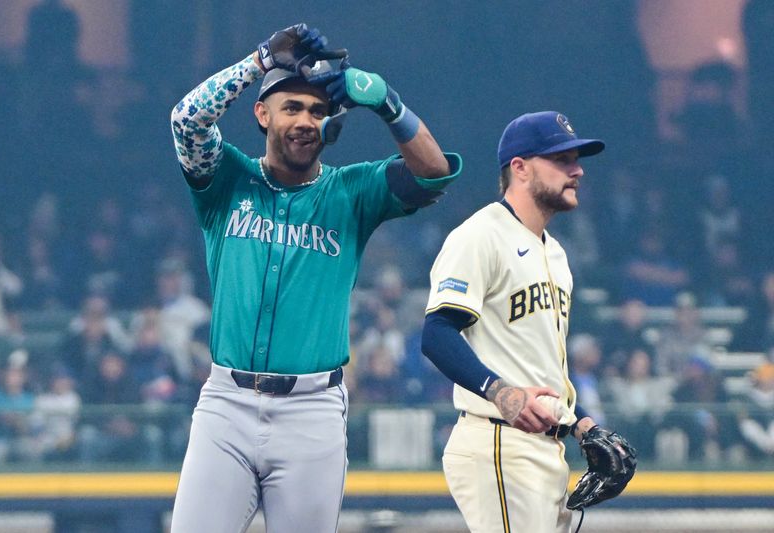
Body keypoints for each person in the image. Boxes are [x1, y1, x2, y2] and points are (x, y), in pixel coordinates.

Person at [168, 24, 460, 533]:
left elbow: (433, 174)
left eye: (318, 111)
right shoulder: (225, 180)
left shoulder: (354, 190)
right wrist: (258, 63)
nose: (306, 121)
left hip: (312, 411)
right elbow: (187, 120)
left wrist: (388, 104)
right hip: (226, 405)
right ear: (262, 114)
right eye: (292, 108)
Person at [422, 111, 634, 532]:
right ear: (519, 167)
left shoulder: (555, 252)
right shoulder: (481, 234)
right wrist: (499, 392)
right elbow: (436, 333)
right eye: (561, 159)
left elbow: (542, 366)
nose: (577, 170)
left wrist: (583, 424)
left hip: (543, 450)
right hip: (498, 440)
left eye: (576, 159)